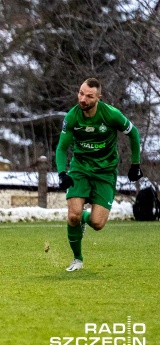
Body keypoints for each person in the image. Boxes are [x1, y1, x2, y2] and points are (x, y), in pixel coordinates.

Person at [56, 78, 142, 272]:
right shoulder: (72, 117)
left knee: (97, 223)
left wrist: (135, 164)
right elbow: (61, 148)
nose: (83, 99)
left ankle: (86, 219)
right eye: (81, 93)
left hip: (105, 171)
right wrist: (62, 172)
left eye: (89, 96)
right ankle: (77, 259)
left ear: (98, 98)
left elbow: (134, 133)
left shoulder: (111, 115)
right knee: (73, 216)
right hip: (80, 168)